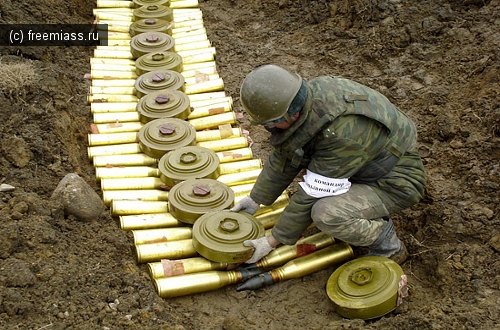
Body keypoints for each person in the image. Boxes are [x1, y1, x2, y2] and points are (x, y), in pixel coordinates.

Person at [230, 64, 426, 265]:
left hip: (393, 181)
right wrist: (256, 199)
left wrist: (271, 242)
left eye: (270, 123)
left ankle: (388, 245)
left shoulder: (341, 134)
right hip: (362, 161)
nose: (269, 128)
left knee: (326, 214)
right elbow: (286, 153)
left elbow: (311, 194)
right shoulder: (305, 99)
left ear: (291, 114)